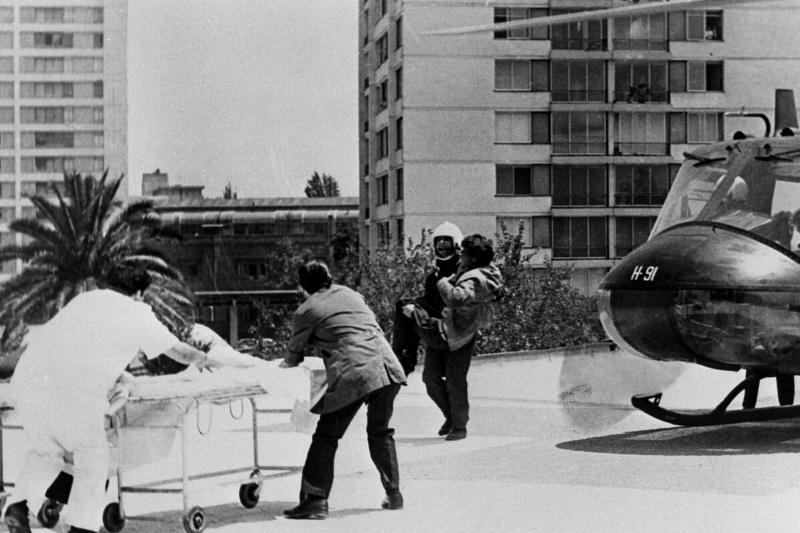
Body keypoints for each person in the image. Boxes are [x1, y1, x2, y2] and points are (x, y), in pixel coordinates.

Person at [2, 265, 228, 533]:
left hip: (29, 385)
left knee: (46, 452)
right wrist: (205, 359)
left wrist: (120, 376)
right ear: (139, 293)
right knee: (93, 459)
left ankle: (17, 506)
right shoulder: (137, 312)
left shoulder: (83, 301)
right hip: (72, 393)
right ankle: (82, 528)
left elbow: (77, 351)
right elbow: (178, 351)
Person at [280, 260, 407, 520]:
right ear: (328, 277)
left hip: (355, 373)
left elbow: (293, 356)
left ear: (303, 287)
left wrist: (280, 366)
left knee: (326, 437)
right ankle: (394, 494)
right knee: (380, 432)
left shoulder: (306, 310)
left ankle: (315, 500)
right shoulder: (351, 294)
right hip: (387, 366)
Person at [420, 234, 503, 441]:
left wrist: (442, 282)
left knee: (455, 380)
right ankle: (451, 416)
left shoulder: (477, 277)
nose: (460, 255)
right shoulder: (466, 267)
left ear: (473, 258)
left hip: (462, 333)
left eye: (464, 253)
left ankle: (459, 426)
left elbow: (456, 298)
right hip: (442, 328)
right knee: (430, 378)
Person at [392, 221, 463, 375]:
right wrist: (414, 307)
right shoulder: (434, 276)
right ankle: (403, 358)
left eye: (446, 240)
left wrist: (415, 313)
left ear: (456, 243)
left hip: (448, 329)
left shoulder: (462, 272)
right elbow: (429, 302)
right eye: (439, 240)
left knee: (410, 311)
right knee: (403, 305)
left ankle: (403, 362)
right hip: (436, 322)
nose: (441, 243)